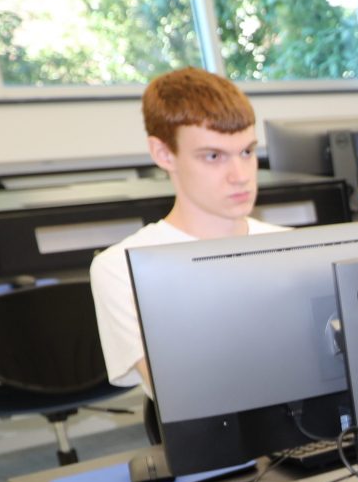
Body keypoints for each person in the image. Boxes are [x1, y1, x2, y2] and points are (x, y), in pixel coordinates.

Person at [91, 67, 288, 391]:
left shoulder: (295, 246)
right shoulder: (123, 267)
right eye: (213, 156)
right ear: (163, 154)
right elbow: (180, 396)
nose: (240, 175)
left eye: (247, 152)